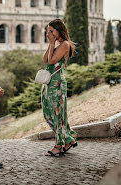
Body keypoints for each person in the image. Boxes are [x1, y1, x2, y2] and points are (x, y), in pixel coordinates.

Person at [42, 19, 78, 156]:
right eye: (48, 31)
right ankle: (68, 139)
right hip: (49, 82)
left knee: (57, 114)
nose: (48, 33)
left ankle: (59, 145)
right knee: (48, 112)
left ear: (58, 30)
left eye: (51, 31)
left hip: (57, 83)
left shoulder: (65, 44)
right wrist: (50, 45)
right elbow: (45, 60)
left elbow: (51, 61)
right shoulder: (56, 45)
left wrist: (52, 44)